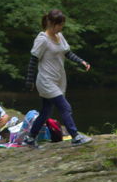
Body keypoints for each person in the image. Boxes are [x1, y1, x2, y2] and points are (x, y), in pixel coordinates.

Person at [23, 9, 92, 148]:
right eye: (59, 24)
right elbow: (33, 60)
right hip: (46, 81)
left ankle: (30, 138)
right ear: (51, 23)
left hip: (58, 79)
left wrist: (81, 62)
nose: (61, 27)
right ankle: (76, 137)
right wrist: (29, 81)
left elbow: (68, 53)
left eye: (62, 24)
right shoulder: (42, 39)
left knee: (45, 112)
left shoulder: (59, 36)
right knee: (65, 107)